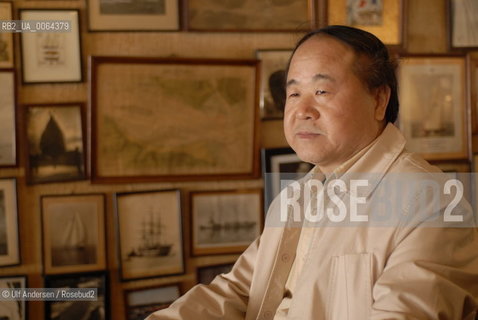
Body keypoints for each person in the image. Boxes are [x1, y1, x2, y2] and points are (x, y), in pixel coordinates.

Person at [146, 25, 478, 319]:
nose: (302, 110)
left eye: (321, 91)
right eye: (293, 93)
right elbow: (241, 292)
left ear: (379, 100)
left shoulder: (432, 202)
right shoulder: (297, 196)